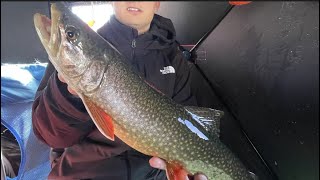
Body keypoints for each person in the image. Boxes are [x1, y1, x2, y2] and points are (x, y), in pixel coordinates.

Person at [32, 2, 207, 180]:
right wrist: (67, 96)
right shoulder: (85, 50)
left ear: (156, 3)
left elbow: (192, 123)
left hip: (155, 173)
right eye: (71, 34)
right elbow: (52, 137)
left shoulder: (174, 59)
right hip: (84, 173)